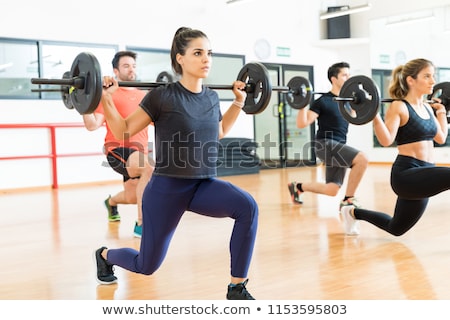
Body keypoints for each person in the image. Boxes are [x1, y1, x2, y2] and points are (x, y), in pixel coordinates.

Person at [93, 27, 258, 300]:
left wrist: (239, 102)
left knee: (247, 207)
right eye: (197, 53)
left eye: (209, 53)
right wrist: (107, 98)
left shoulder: (211, 97)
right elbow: (123, 129)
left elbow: (218, 131)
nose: (206, 59)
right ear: (180, 58)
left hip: (202, 185)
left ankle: (236, 287)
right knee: (146, 265)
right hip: (166, 190)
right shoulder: (162, 96)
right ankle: (105, 255)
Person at [340, 58, 449, 236]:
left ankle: (351, 212)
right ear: (411, 80)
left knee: (396, 228)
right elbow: (386, 140)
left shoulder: (428, 108)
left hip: (425, 174)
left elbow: (441, 137)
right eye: (427, 76)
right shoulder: (399, 106)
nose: (433, 81)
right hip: (407, 175)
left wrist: (442, 111)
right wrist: (373, 113)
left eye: (433, 76)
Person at [83, 51, 154, 238]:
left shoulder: (144, 95)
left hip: (139, 152)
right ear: (115, 71)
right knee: (148, 167)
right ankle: (141, 225)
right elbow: (92, 125)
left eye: (133, 65)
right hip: (117, 150)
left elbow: (161, 120)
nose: (131, 69)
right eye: (126, 66)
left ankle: (111, 203)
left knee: (132, 197)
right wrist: (82, 102)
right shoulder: (109, 94)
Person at [287, 62, 369, 216]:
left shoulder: (347, 101)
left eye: (349, 75)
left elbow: (355, 118)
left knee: (332, 189)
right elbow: (302, 123)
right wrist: (302, 103)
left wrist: (361, 101)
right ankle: (348, 200)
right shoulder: (322, 101)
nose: (348, 78)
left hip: (338, 146)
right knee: (362, 159)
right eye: (344, 75)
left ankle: (298, 187)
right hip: (324, 144)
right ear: (334, 79)